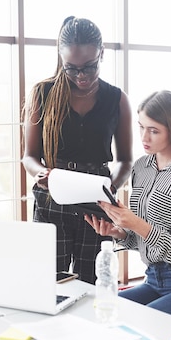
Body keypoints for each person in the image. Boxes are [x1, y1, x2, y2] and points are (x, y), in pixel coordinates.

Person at [21, 16, 133, 285]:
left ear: (102, 54)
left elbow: (126, 160)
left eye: (89, 67)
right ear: (61, 59)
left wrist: (110, 186)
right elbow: (29, 156)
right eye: (71, 68)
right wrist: (40, 173)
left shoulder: (117, 98)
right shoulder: (43, 93)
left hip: (96, 201)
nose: (81, 76)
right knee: (48, 283)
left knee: (93, 283)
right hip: (52, 199)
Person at [85, 90, 171, 320]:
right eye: (141, 127)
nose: (144, 138)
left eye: (154, 131)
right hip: (154, 278)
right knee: (101, 309)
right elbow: (142, 240)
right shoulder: (141, 167)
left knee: (139, 323)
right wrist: (121, 232)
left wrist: (137, 224)